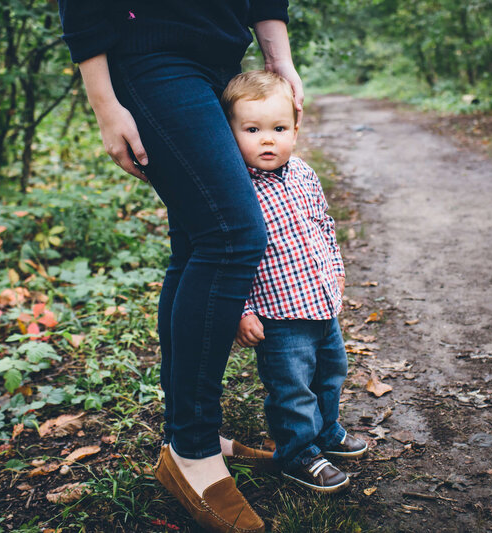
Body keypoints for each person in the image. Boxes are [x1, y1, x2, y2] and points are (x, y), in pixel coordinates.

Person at [57, 2, 301, 532]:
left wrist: (276, 58)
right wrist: (103, 100)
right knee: (232, 234)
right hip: (150, 54)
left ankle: (187, 432)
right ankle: (191, 450)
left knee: (196, 240)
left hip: (220, 58)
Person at [221, 70, 368, 493]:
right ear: (230, 132)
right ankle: (298, 452)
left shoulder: (303, 173)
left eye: (278, 129)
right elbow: (230, 254)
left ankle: (327, 431)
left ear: (295, 130)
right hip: (277, 314)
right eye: (252, 129)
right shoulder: (238, 187)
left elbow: (324, 223)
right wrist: (242, 310)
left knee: (330, 373)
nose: (268, 140)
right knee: (292, 388)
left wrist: (336, 269)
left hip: (321, 304)